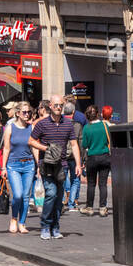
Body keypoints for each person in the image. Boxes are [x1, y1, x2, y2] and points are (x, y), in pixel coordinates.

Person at [29, 94, 82, 241]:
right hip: (46, 165)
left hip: (62, 165)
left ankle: (55, 226)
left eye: (61, 105)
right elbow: (31, 141)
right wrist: (46, 149)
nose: (58, 108)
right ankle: (45, 225)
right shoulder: (42, 124)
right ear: (50, 106)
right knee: (51, 193)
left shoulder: (68, 124)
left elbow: (74, 144)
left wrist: (78, 164)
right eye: (56, 105)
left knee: (59, 198)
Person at [1, 101, 38, 234]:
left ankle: (22, 223)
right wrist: (3, 167)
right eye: (24, 112)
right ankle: (13, 218)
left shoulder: (31, 128)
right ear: (18, 113)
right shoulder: (10, 128)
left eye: (29, 112)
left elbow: (34, 147)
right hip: (13, 165)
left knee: (26, 196)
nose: (27, 114)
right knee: (18, 195)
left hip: (29, 164)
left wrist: (38, 164)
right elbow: (6, 148)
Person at [80, 105, 112, 216]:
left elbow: (84, 144)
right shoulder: (104, 125)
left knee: (91, 184)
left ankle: (89, 207)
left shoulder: (86, 128)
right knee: (103, 184)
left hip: (92, 158)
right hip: (104, 156)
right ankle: (103, 208)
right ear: (98, 114)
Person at [62, 100, 82, 212]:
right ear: (73, 112)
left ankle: (65, 197)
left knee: (63, 178)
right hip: (74, 157)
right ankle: (71, 204)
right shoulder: (78, 125)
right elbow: (80, 143)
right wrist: (82, 159)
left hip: (63, 156)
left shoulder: (60, 123)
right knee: (75, 180)